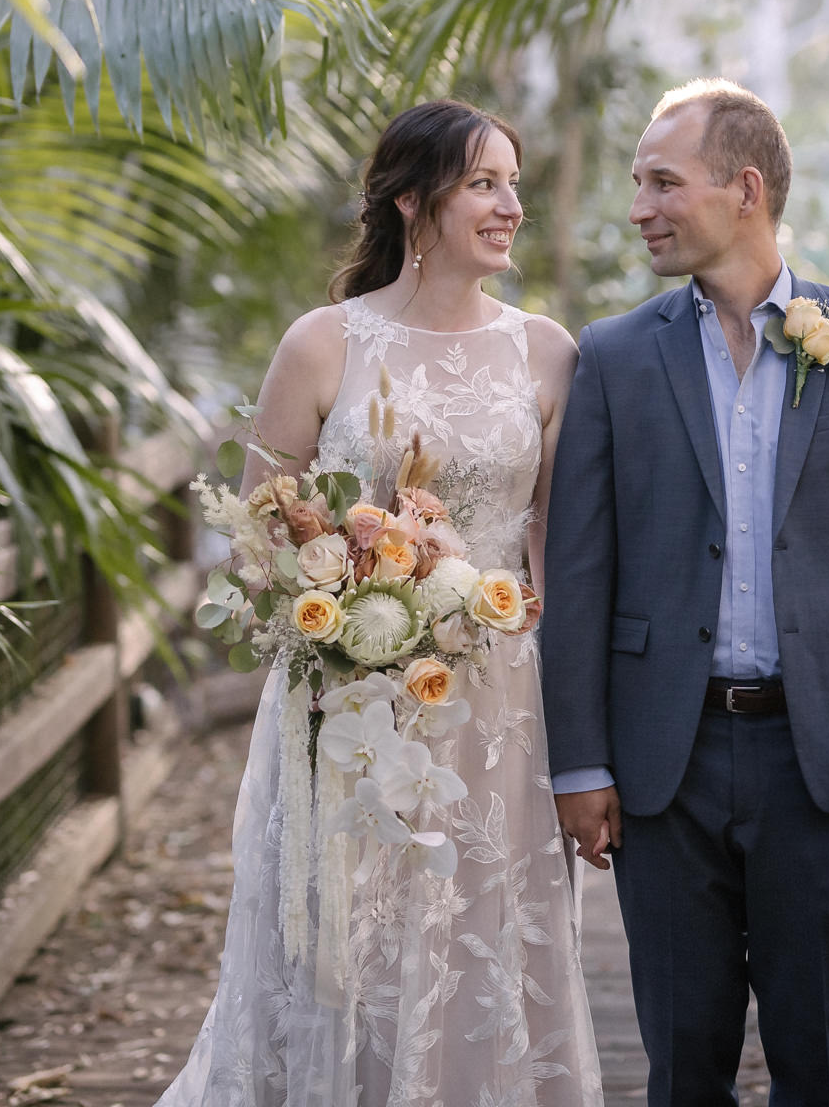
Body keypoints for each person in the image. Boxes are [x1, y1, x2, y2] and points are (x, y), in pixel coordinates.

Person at [156, 100, 603, 1107]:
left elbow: (556, 553)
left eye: (515, 184)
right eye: (485, 183)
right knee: (337, 942)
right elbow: (258, 535)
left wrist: (581, 733)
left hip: (493, 701)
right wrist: (354, 590)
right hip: (342, 695)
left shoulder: (547, 354)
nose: (511, 206)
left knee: (475, 930)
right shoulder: (323, 344)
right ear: (413, 199)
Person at [541, 78, 829, 1106]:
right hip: (660, 764)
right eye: (637, 184)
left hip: (821, 760)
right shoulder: (614, 356)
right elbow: (580, 571)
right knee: (682, 1060)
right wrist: (579, 760)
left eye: (663, 183)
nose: (639, 207)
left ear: (747, 189)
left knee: (817, 1053)